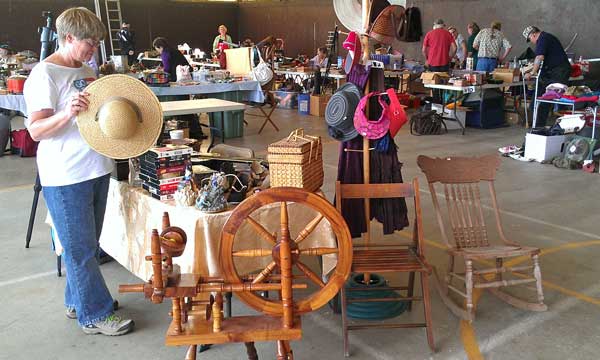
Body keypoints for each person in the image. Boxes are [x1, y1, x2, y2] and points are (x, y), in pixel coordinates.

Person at [22, 7, 133, 336]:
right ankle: (95, 314)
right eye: (89, 42)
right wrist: (67, 113)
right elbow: (36, 131)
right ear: (68, 38)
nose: (94, 49)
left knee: (88, 243)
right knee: (80, 249)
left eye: (97, 42)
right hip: (65, 174)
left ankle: (78, 300)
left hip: (95, 167)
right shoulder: (45, 75)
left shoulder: (85, 69)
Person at [523, 25, 571, 127]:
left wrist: (532, 73)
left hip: (558, 72)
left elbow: (539, 57)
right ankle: (539, 127)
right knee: (539, 101)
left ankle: (539, 127)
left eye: (530, 39)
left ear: (533, 34)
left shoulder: (543, 39)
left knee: (544, 102)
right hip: (552, 72)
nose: (531, 42)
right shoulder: (546, 37)